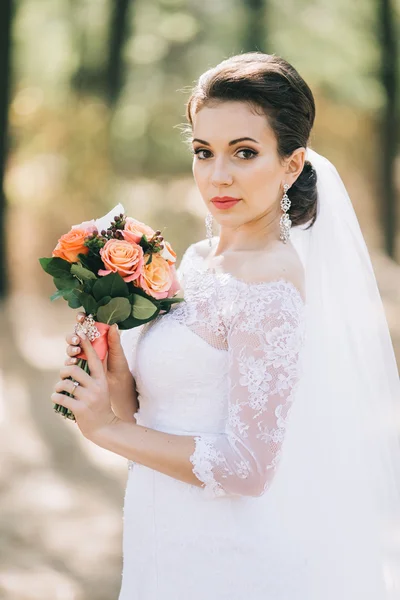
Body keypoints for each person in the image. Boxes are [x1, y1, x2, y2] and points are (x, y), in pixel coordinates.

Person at [52, 53, 400, 599]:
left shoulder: (271, 283)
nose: (218, 175)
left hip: (229, 554)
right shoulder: (193, 258)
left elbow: (248, 466)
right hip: (163, 525)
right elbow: (160, 414)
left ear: (291, 163)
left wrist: (108, 433)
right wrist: (112, 371)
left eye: (244, 152)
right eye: (203, 151)